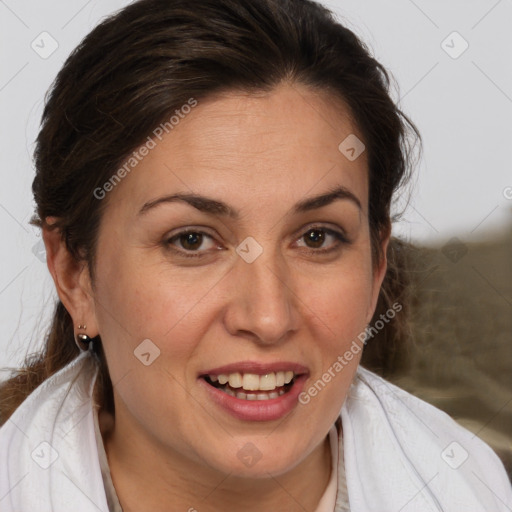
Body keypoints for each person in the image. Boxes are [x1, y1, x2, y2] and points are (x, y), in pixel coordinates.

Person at [0, 0, 511, 510]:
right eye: (192, 240)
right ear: (74, 276)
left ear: (377, 265)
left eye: (317, 237)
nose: (268, 317)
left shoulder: (476, 490)